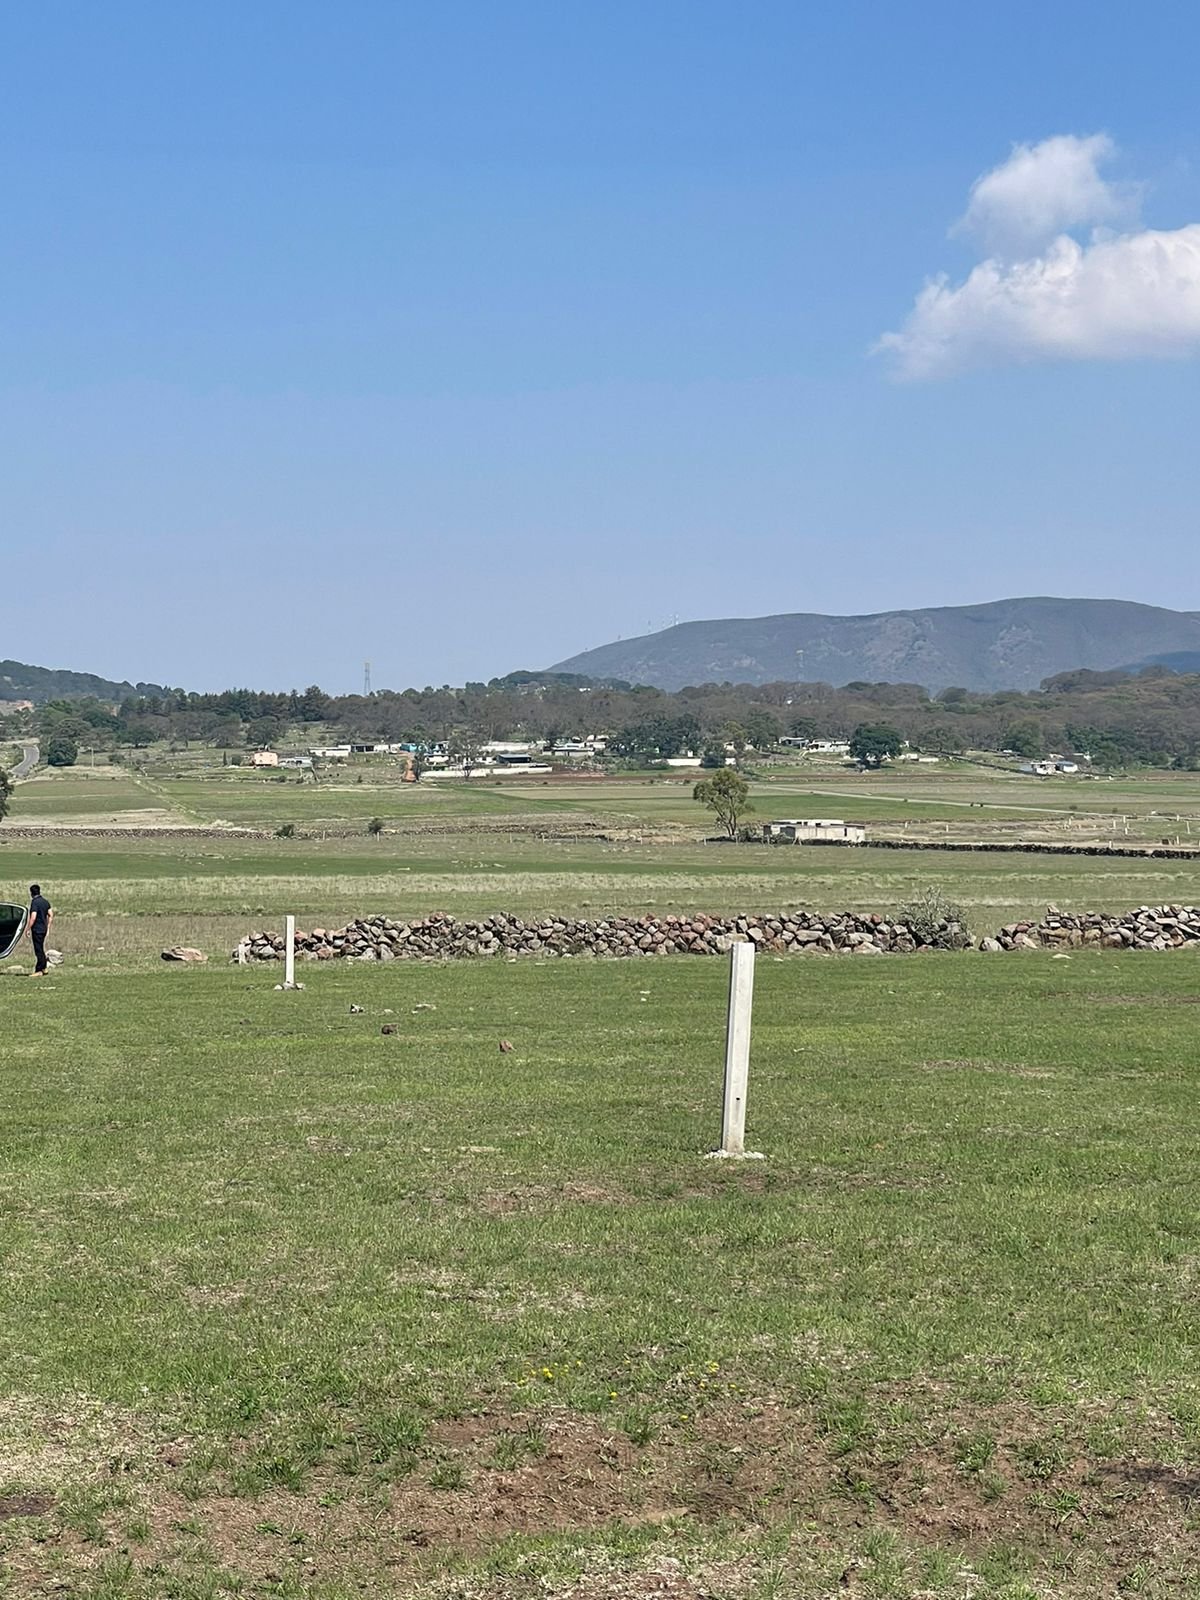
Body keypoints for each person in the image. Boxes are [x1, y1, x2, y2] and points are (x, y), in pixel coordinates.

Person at [27, 884, 52, 977]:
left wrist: (28, 928)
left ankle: (39, 970)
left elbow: (33, 917)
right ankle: (44, 968)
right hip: (43, 929)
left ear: (31, 893)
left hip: (37, 929)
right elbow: (51, 914)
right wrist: (48, 927)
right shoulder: (45, 902)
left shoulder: (35, 903)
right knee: (41, 948)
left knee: (38, 950)